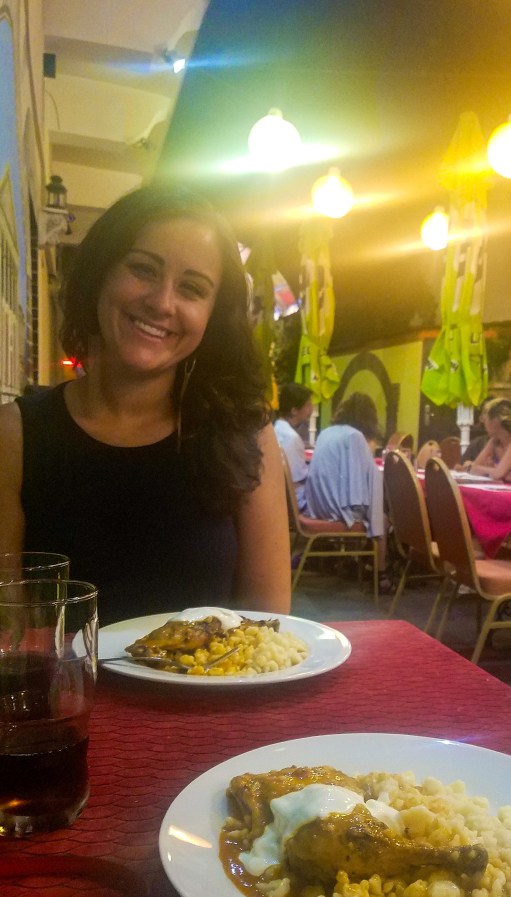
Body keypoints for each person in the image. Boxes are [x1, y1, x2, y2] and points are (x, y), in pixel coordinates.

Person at [0, 183, 291, 624]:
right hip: (65, 695)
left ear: (212, 318)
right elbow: (8, 631)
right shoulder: (16, 435)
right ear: (101, 272)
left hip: (211, 693)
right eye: (143, 269)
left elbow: (271, 628)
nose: (161, 302)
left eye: (192, 289)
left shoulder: (245, 435)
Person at [303, 392, 389, 588]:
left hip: (317, 506)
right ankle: (380, 573)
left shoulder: (327, 432)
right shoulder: (354, 437)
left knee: (362, 506)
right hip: (335, 512)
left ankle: (356, 561)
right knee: (381, 517)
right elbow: (366, 483)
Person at [274, 382, 313, 511]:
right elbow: (298, 477)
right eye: (307, 405)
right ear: (294, 411)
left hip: (282, 497)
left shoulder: (276, 429)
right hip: (297, 502)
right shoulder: (292, 438)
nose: (311, 410)